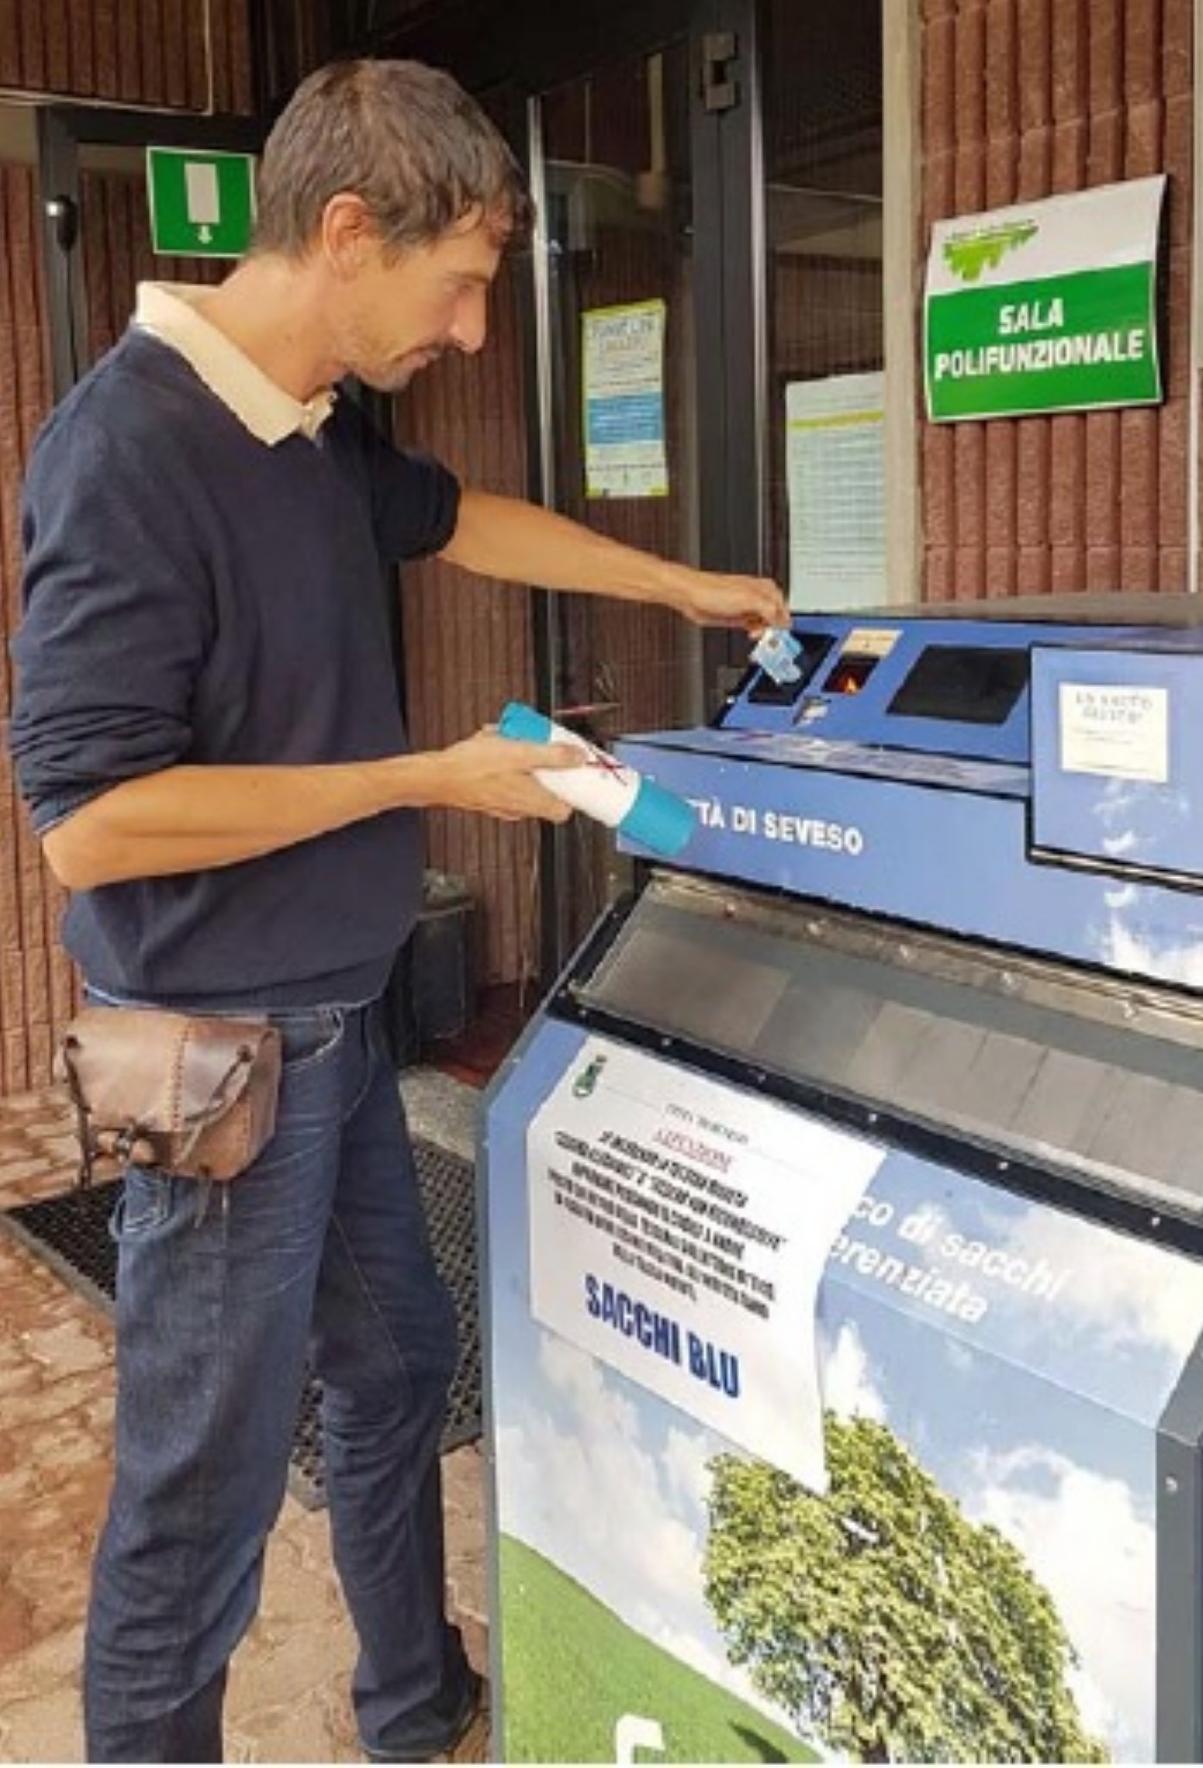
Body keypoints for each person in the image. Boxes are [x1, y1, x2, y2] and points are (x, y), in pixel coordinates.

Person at [8, 57, 787, 1765]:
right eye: (464, 282)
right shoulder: (128, 450)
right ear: (351, 233)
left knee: (390, 1369)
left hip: (339, 1023)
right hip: (223, 1063)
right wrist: (422, 775)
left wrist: (679, 581)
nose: (476, 330)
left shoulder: (313, 431)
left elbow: (458, 520)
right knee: (196, 1499)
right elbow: (90, 826)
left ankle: (413, 1700)